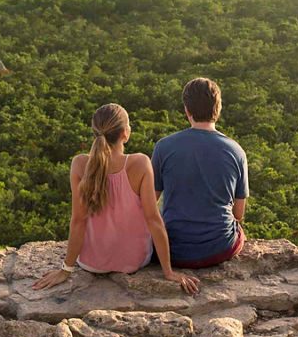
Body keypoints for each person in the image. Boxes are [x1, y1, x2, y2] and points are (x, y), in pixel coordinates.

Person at [34, 103, 200, 293]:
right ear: (125, 133)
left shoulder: (80, 164)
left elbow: (78, 221)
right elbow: (154, 220)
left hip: (90, 262)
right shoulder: (140, 163)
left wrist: (65, 270)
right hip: (134, 261)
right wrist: (168, 272)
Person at [151, 77, 248, 268]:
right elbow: (238, 213)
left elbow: (148, 204)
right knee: (239, 231)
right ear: (218, 109)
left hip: (174, 250)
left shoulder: (164, 147)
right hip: (220, 248)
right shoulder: (236, 151)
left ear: (187, 110)